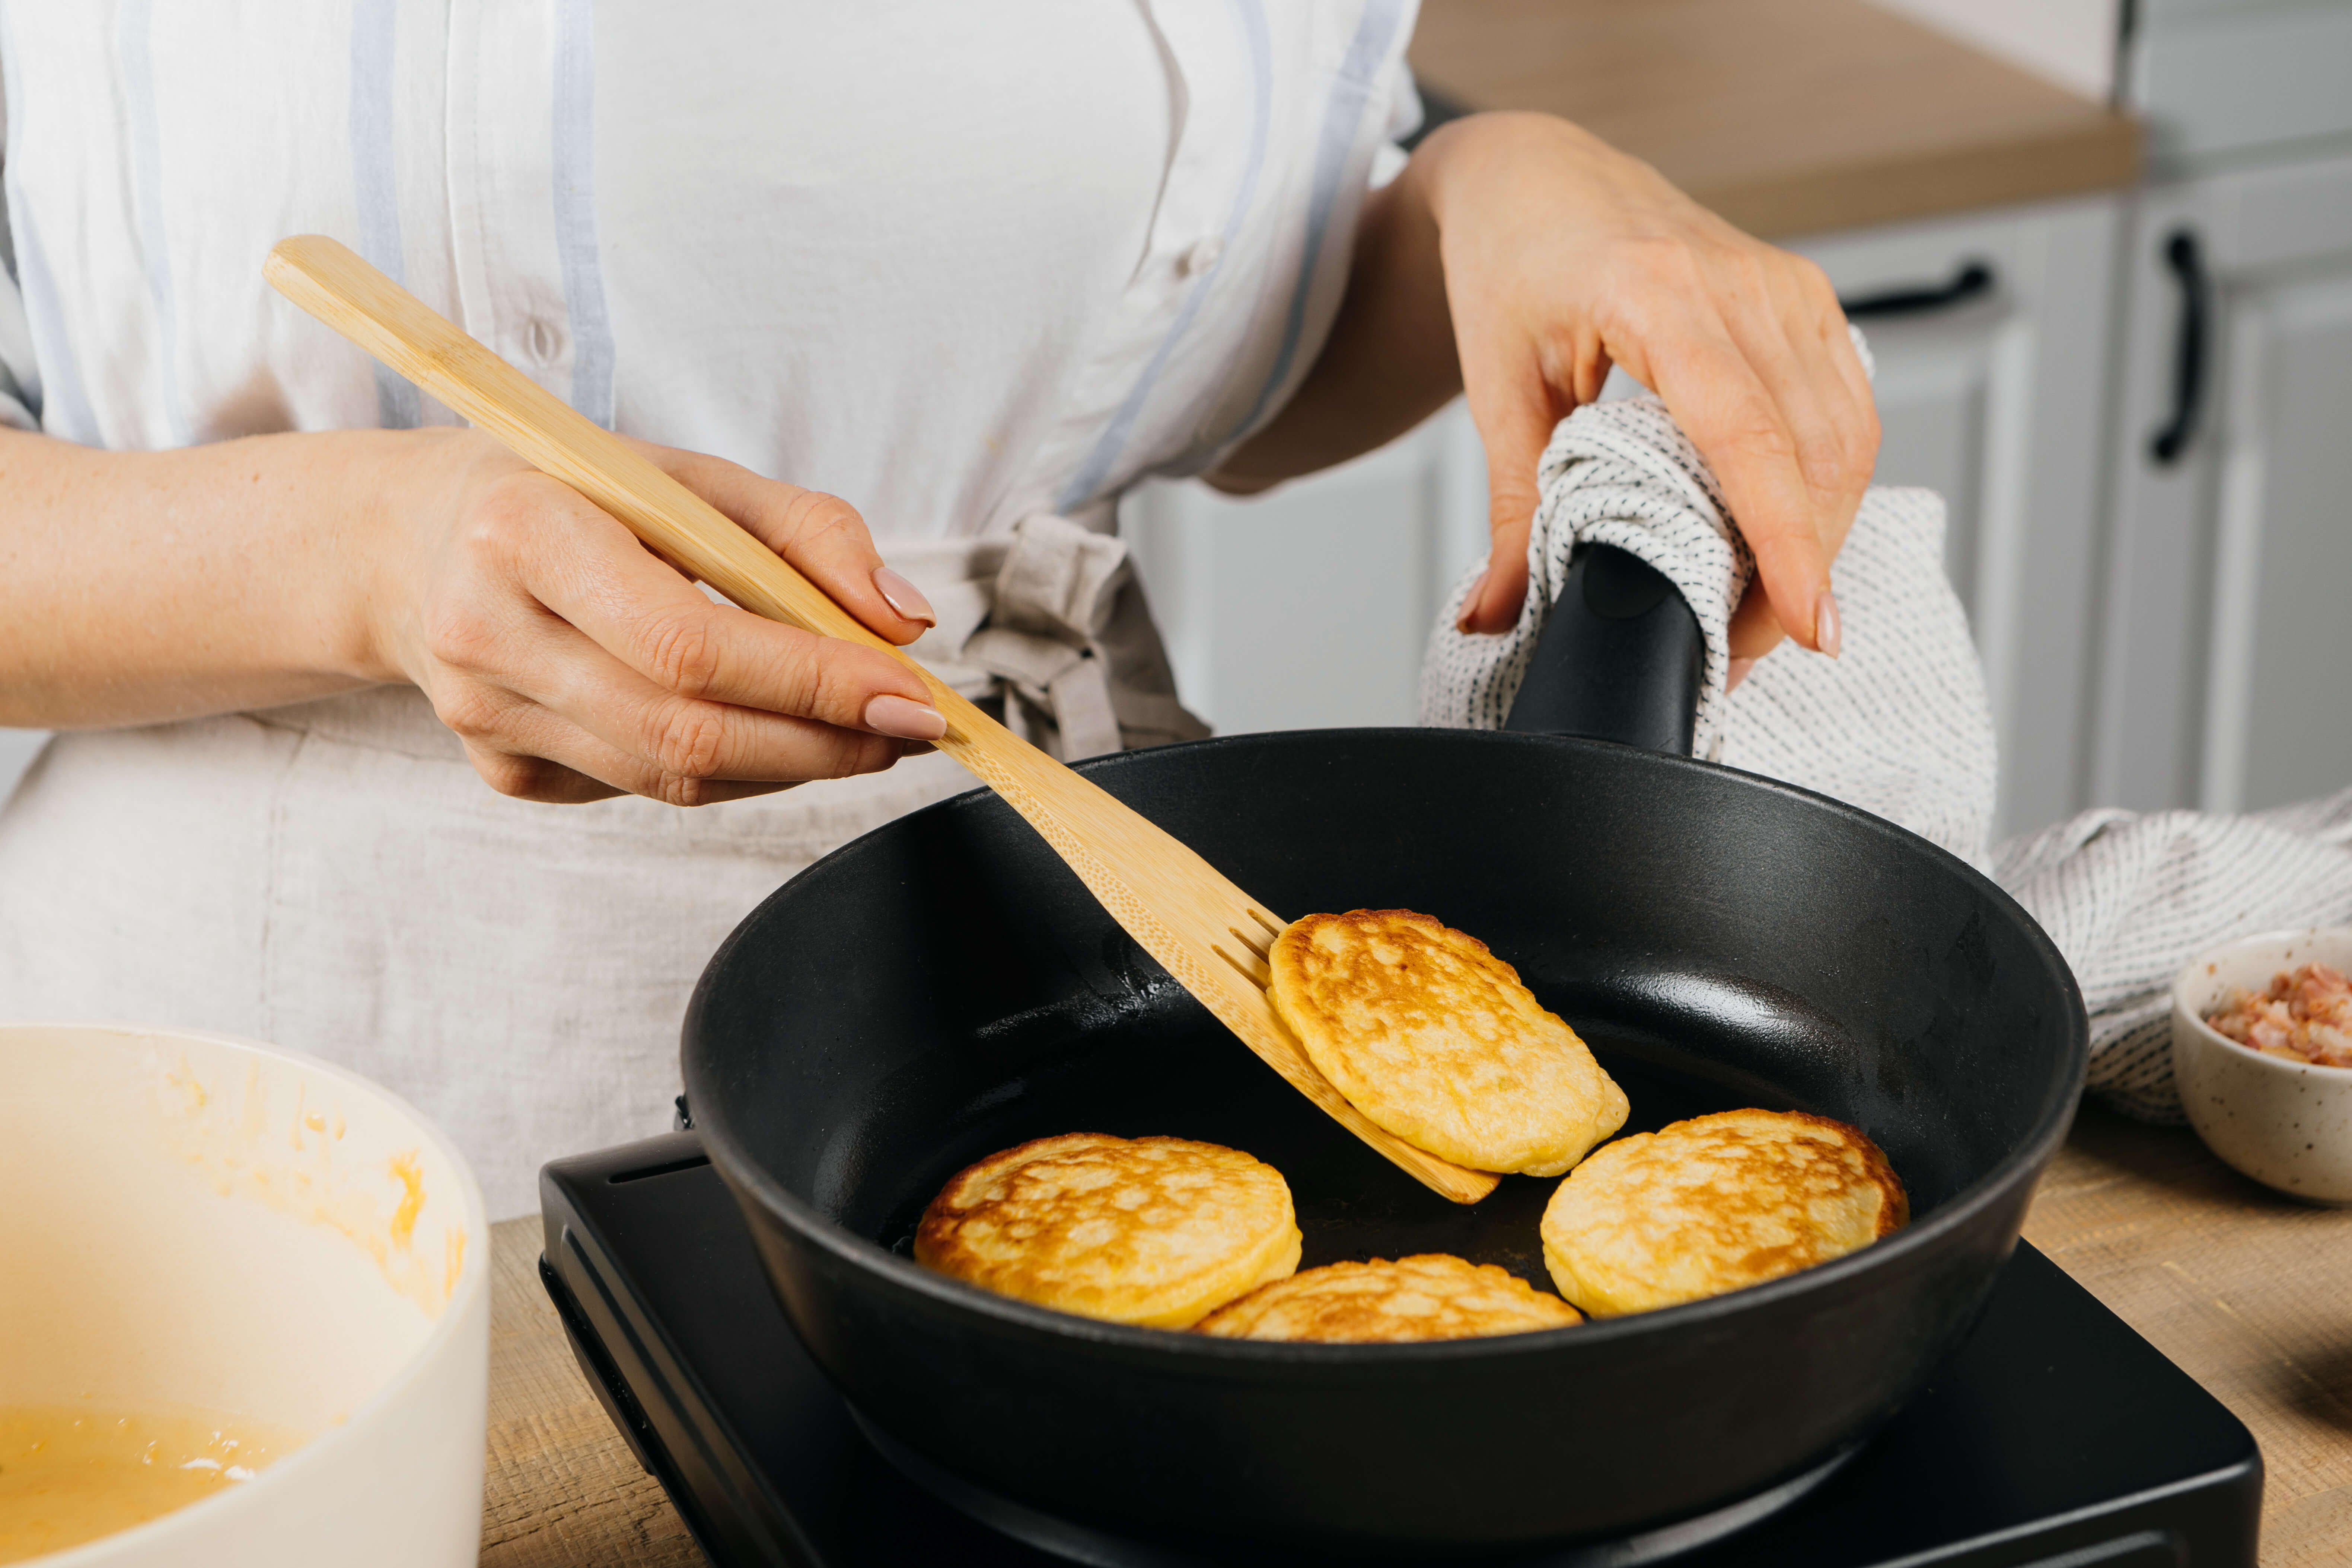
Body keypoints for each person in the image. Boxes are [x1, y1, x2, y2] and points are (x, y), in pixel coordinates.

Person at [0, 3, 1875, 1215]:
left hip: (1049, 998)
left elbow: (1183, 347)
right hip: (299, 1120)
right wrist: (366, 547)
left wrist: (1492, 188)